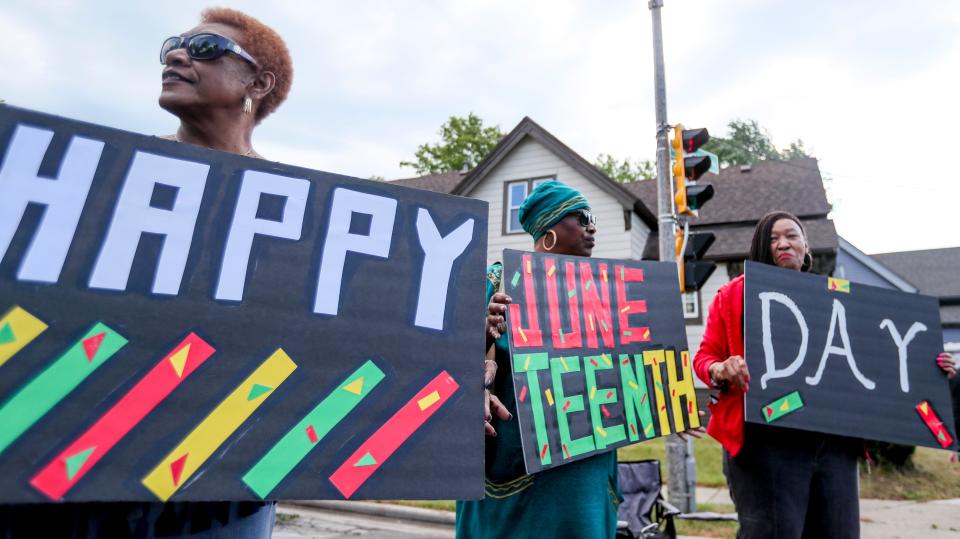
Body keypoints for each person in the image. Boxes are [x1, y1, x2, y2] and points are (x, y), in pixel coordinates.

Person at [0, 8, 292, 538]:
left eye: (205, 49)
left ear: (259, 82)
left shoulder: (301, 214)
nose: (179, 55)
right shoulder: (102, 179)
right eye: (173, 47)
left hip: (225, 489)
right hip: (76, 475)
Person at [456, 182, 703, 538]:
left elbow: (623, 370)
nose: (592, 227)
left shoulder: (609, 292)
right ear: (549, 227)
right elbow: (447, 362)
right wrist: (483, 333)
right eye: (581, 217)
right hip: (518, 476)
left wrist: (662, 402)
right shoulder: (497, 284)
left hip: (586, 473)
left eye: (594, 218)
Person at [694, 210, 957, 539]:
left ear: (806, 245)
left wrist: (929, 369)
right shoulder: (734, 295)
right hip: (767, 441)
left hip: (833, 444)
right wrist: (721, 368)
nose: (783, 243)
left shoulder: (840, 299)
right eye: (772, 239)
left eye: (791, 235)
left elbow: (883, 361)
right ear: (762, 248)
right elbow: (704, 357)